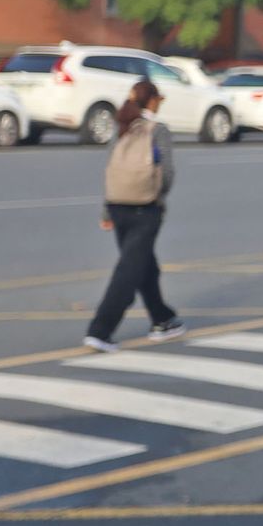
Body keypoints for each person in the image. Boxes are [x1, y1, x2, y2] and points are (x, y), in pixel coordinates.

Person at [84, 80, 184, 353]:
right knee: (129, 272)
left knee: (144, 266)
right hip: (145, 208)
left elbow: (111, 168)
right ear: (152, 101)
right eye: (158, 99)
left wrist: (107, 210)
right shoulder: (158, 130)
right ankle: (100, 331)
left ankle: (163, 319)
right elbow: (168, 173)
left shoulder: (123, 125)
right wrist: (157, 197)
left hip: (118, 205)